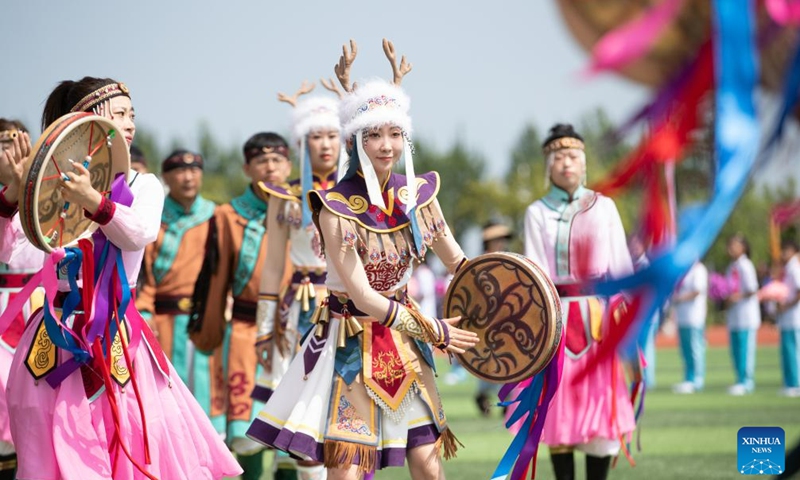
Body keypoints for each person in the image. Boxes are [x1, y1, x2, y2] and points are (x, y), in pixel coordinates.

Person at [247, 39, 479, 480]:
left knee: (429, 466)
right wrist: (436, 329)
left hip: (405, 343)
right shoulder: (334, 205)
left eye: (394, 133)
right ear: (355, 140)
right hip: (349, 341)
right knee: (348, 471)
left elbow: (460, 263)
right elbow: (363, 295)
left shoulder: (420, 196)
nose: (385, 145)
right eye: (373, 134)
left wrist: (505, 294)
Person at [0, 76, 241, 479]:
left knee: (128, 432)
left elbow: (139, 231)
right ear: (87, 122)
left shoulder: (139, 184)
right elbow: (15, 252)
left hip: (113, 331)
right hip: (54, 332)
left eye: (133, 115)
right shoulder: (50, 191)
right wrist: (15, 190)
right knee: (41, 430)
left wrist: (92, 200)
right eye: (121, 114)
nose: (130, 124)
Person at [523, 123, 636, 480]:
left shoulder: (603, 207)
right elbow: (534, 273)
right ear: (548, 165)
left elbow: (621, 265)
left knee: (601, 412)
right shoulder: (536, 212)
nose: (565, 163)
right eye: (557, 157)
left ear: (584, 161)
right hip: (555, 321)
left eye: (572, 155)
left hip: (600, 321)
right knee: (558, 412)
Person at [190, 131, 292, 479]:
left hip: (299, 329)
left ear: (289, 165)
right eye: (261, 160)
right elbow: (215, 280)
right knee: (248, 432)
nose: (270, 167)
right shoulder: (227, 215)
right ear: (247, 167)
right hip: (245, 332)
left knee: (297, 433)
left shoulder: (306, 209)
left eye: (277, 159)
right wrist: (210, 331)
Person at [254, 83, 342, 480]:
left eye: (332, 134)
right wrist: (264, 328)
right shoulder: (285, 196)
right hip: (304, 309)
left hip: (357, 309)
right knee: (305, 413)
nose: (325, 144)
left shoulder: (361, 191)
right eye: (316, 135)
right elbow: (273, 267)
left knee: (352, 412)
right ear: (302, 141)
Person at [136, 150, 225, 430]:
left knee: (207, 392)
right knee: (165, 399)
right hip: (161, 319)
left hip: (206, 319)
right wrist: (144, 310)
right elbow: (143, 275)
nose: (188, 177)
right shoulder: (152, 218)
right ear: (165, 178)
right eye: (179, 171)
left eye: (195, 170)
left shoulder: (216, 216)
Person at [0, 118, 45, 480]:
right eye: (2, 143)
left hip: (40, 307)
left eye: (17, 143)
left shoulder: (45, 193)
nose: (11, 152)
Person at [474, 220, 513, 417]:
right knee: (488, 364)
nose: (500, 243)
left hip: (508, 322)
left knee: (510, 363)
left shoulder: (511, 262)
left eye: (502, 239)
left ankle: (507, 400)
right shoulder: (480, 265)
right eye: (496, 239)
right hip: (487, 323)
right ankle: (483, 396)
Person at [724, 233, 761, 396]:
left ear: (743, 248)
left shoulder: (746, 265)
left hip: (746, 315)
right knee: (736, 350)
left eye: (734, 245)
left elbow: (753, 289)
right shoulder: (731, 266)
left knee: (745, 349)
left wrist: (736, 296)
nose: (731, 248)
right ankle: (739, 379)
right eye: (730, 245)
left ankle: (747, 381)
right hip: (734, 314)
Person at [671, 261, 709, 394]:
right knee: (685, 349)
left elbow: (697, 290)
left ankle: (697, 379)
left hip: (694, 315)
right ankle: (688, 378)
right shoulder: (684, 269)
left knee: (695, 348)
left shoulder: (699, 269)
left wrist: (679, 298)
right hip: (682, 316)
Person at [629, 234, 658, 389]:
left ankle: (646, 379)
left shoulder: (646, 266)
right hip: (636, 314)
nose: (633, 248)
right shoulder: (632, 266)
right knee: (638, 347)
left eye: (637, 245)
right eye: (632, 245)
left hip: (646, 313)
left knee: (644, 347)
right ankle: (640, 378)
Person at [776, 239, 800, 397]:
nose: (783, 254)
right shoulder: (786, 268)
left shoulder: (794, 267)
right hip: (786, 317)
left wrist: (786, 305)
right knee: (786, 351)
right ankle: (789, 382)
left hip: (794, 316)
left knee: (794, 351)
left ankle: (796, 383)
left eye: (786, 251)